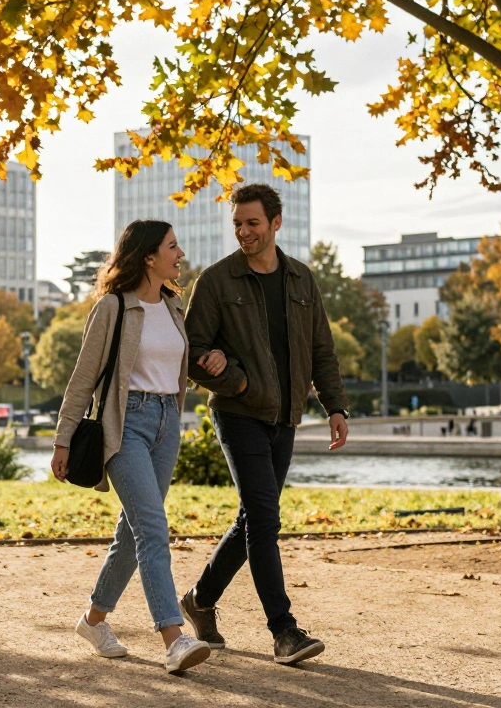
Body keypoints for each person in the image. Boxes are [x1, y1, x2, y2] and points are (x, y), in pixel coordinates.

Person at [181, 183, 350, 665]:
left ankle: (198, 599)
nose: (244, 231)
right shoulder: (216, 281)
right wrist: (231, 379)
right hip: (238, 413)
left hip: (285, 416)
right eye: (237, 223)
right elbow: (190, 351)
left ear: (276, 222)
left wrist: (334, 406)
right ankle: (284, 631)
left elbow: (322, 349)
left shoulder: (301, 280)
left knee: (252, 519)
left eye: (252, 222)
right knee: (265, 519)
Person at [51, 219, 211, 674]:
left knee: (134, 530)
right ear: (148, 256)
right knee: (154, 529)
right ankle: (173, 637)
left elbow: (179, 365)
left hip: (167, 424)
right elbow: (84, 378)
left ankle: (93, 620)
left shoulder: (173, 306)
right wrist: (63, 438)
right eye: (172, 246)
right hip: (125, 426)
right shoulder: (113, 308)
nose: (179, 254)